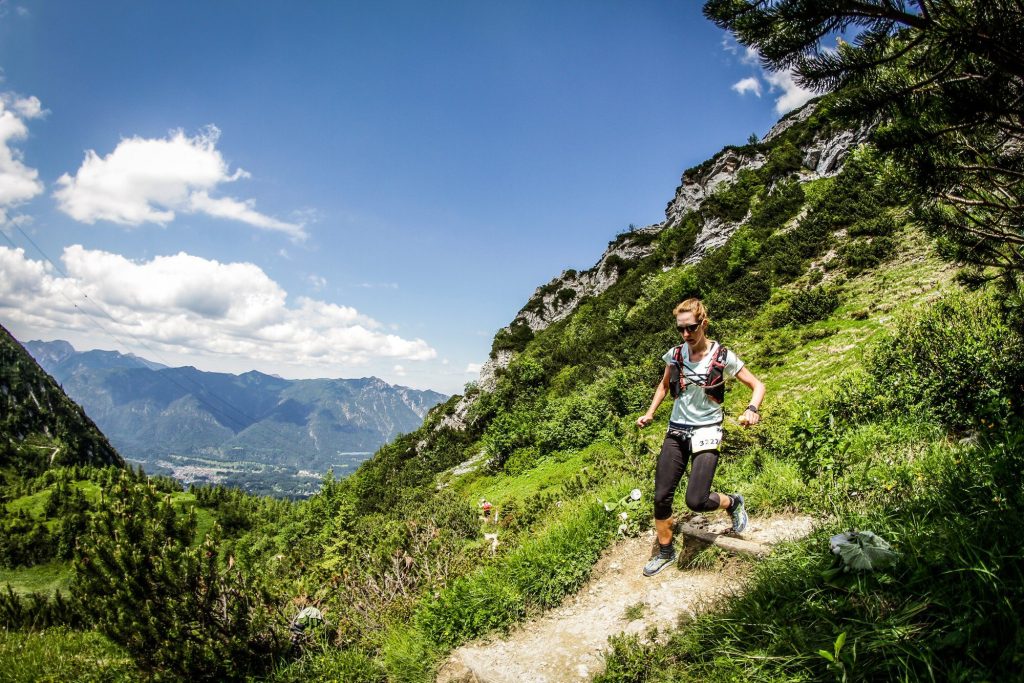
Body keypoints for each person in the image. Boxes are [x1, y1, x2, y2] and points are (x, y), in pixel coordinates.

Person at [636, 298, 765, 577]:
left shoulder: (722, 356)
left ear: (703, 324)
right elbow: (663, 384)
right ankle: (666, 552)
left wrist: (752, 409)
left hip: (707, 429)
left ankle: (733, 502)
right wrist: (650, 413)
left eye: (691, 328)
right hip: (676, 429)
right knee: (661, 497)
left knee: (696, 500)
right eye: (681, 329)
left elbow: (758, 385)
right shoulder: (675, 354)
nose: (686, 334)